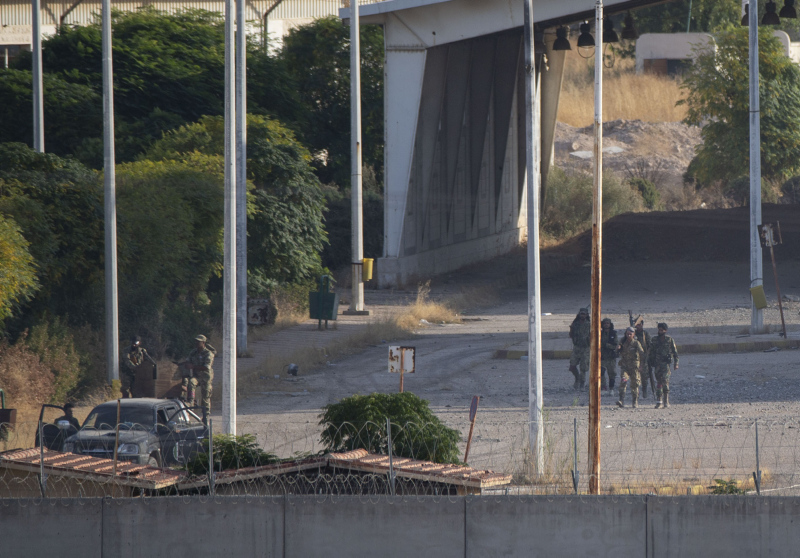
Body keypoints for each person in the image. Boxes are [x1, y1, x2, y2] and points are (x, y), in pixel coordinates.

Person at [179, 334, 216, 419]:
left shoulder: (208, 353)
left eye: (199, 342)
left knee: (205, 395)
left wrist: (193, 367)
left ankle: (205, 415)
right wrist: (186, 365)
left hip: (206, 377)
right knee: (191, 383)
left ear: (203, 343)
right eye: (196, 341)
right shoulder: (193, 352)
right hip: (197, 376)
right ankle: (191, 402)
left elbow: (206, 367)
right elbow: (187, 361)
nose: (197, 343)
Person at [648, 322, 679, 409]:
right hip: (657, 364)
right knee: (659, 383)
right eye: (659, 329)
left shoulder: (669, 340)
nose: (660, 331)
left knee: (665, 381)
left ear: (665, 330)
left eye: (662, 330)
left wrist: (676, 363)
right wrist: (649, 362)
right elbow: (650, 352)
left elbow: (675, 353)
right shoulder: (654, 340)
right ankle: (659, 402)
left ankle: (666, 401)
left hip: (665, 365)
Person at [616, 327, 644, 408]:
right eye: (627, 334)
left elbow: (642, 354)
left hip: (634, 367)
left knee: (635, 385)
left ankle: (635, 401)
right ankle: (621, 400)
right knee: (623, 381)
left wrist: (641, 365)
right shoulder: (622, 341)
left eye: (630, 334)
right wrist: (618, 348)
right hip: (625, 366)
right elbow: (617, 351)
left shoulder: (636, 343)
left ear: (633, 334)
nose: (628, 335)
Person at [569, 308, 591, 389]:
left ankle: (582, 383)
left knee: (583, 368)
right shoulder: (575, 324)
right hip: (577, 347)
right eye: (581, 314)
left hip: (586, 348)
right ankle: (577, 378)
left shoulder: (589, 324)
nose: (582, 315)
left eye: (584, 314)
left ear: (586, 315)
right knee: (572, 366)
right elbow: (571, 335)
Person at [634, 319, 652, 398]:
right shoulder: (632, 333)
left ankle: (644, 390)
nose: (638, 326)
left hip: (643, 357)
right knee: (634, 376)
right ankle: (635, 392)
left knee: (644, 376)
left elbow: (650, 345)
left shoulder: (645, 334)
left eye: (639, 324)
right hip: (634, 357)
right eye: (637, 324)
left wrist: (647, 356)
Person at [600, 318, 619, 393]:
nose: (606, 325)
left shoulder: (613, 333)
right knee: (601, 372)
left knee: (612, 373)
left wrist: (607, 345)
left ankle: (611, 388)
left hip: (611, 356)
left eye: (608, 323)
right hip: (603, 356)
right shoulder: (600, 333)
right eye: (605, 323)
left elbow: (616, 345)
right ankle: (603, 386)